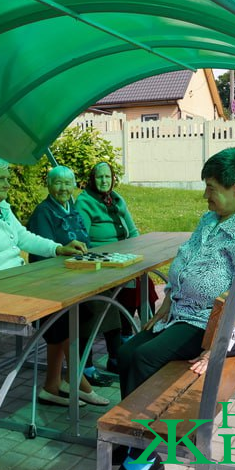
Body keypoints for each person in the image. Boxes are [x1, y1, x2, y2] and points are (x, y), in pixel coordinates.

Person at [111, 148, 235, 470]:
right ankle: (132, 436)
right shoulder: (212, 218)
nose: (206, 195)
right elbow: (186, 259)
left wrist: (218, 345)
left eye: (211, 188)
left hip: (212, 325)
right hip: (182, 312)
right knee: (127, 352)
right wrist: (166, 301)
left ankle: (145, 455)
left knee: (145, 357)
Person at [0, 156, 104, 406]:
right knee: (61, 313)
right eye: (2, 178)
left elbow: (24, 237)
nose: (7, 183)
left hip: (16, 281)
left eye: (8, 178)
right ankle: (73, 380)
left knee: (71, 306)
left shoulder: (2, 207)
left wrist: (58, 248)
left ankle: (54, 385)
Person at [26, 166, 111, 406]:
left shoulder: (71, 208)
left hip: (72, 279)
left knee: (84, 312)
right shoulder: (43, 212)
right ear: (48, 185)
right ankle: (76, 378)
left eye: (68, 183)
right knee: (63, 320)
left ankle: (52, 386)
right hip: (49, 283)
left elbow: (85, 241)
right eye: (58, 183)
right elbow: (41, 254)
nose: (63, 188)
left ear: (74, 185)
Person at [75, 161, 152, 377]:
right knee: (114, 296)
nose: (104, 181)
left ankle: (130, 340)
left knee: (144, 284)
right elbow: (82, 239)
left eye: (107, 177)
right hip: (100, 262)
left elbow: (133, 230)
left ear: (113, 179)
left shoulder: (116, 199)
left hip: (122, 259)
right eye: (99, 177)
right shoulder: (84, 202)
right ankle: (116, 353)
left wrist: (140, 252)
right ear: (92, 179)